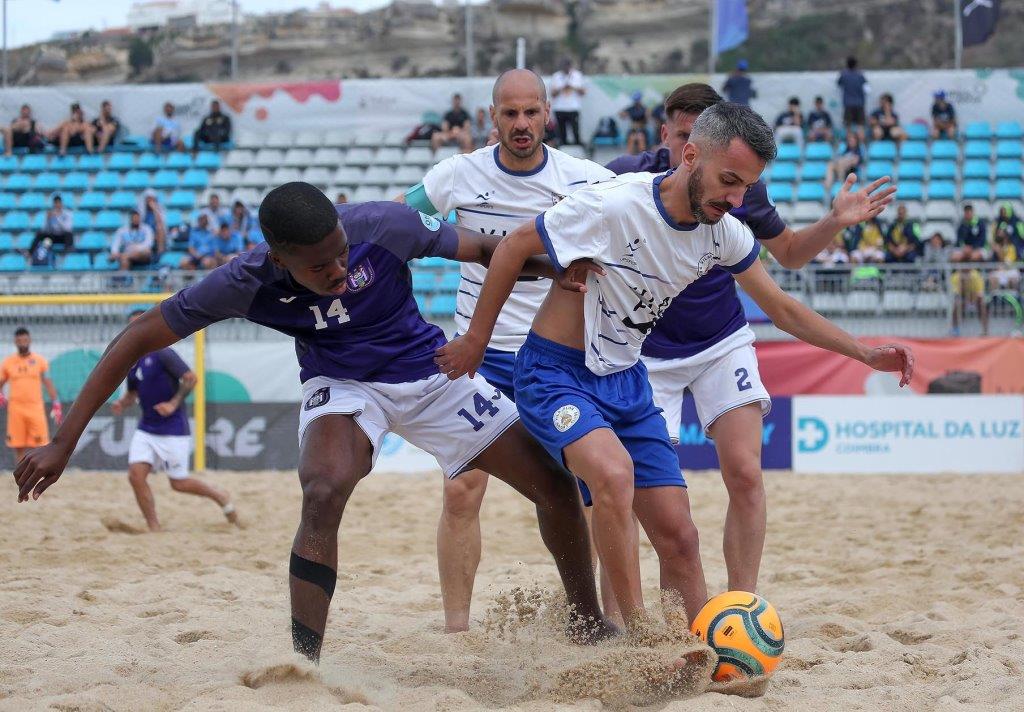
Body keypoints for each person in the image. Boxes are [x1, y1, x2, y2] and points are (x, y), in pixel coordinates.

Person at [13, 182, 611, 666]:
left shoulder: (384, 225)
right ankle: (305, 664)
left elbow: (486, 249)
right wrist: (65, 441)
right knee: (322, 490)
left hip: (430, 374)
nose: (338, 269)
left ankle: (587, 625)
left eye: (342, 253)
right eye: (320, 265)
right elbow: (139, 334)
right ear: (279, 259)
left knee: (554, 482)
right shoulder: (243, 281)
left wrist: (556, 267)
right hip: (342, 386)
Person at [436, 102, 914, 627]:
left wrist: (867, 354)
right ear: (689, 155)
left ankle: (710, 647)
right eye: (728, 182)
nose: (735, 200)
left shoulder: (724, 230)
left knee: (681, 537)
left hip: (626, 378)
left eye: (744, 189)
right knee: (613, 478)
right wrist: (477, 339)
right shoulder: (613, 203)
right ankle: (635, 638)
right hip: (554, 374)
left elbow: (782, 309)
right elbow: (511, 249)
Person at [602, 83, 895, 611]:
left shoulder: (736, 192)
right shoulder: (625, 179)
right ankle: (630, 619)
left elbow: (788, 266)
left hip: (719, 340)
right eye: (683, 136)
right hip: (642, 354)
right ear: (669, 134)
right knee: (634, 495)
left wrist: (832, 223)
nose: (691, 149)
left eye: (702, 135)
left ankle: (740, 611)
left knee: (745, 471)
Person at [398, 68, 615, 633]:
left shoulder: (585, 179)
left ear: (548, 114)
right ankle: (456, 630)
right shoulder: (457, 174)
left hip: (556, 357)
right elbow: (396, 224)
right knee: (462, 489)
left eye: (530, 112)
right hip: (481, 353)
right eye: (509, 113)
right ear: (491, 117)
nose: (521, 124)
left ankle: (588, 617)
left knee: (584, 491)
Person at [110, 310, 238, 532]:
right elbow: (132, 394)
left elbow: (191, 378)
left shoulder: (163, 354)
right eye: (131, 327)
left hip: (173, 430)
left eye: (139, 325)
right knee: (135, 476)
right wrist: (123, 402)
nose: (135, 331)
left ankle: (219, 495)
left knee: (178, 483)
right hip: (146, 429)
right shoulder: (133, 362)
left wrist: (173, 403)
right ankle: (154, 527)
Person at [1, 328, 61, 463]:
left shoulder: (40, 361)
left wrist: (56, 403)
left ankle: (38, 477)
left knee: (41, 446)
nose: (22, 343)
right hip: (16, 410)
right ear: (15, 342)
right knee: (18, 447)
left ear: (29, 340)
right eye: (19, 341)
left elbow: (48, 383)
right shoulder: (8, 363)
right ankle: (22, 479)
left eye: (25, 340)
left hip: (35, 409)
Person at [550, 58, 585, 145]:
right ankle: (563, 147)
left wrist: (572, 86)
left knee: (575, 131)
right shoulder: (556, 76)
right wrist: (562, 87)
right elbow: (553, 94)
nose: (566, 68)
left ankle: (577, 147)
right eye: (564, 66)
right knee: (561, 133)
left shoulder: (577, 75)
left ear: (570, 66)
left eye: (567, 66)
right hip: (560, 108)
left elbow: (583, 92)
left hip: (573, 108)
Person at [837, 56, 868, 140]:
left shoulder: (844, 75)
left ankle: (850, 146)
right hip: (859, 104)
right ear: (856, 65)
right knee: (860, 127)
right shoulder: (860, 75)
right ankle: (861, 147)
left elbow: (839, 83)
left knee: (848, 127)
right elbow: (866, 87)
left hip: (848, 104)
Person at [951, 265, 988, 337]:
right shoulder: (956, 276)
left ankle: (985, 330)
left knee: (982, 305)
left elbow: (980, 293)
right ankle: (955, 329)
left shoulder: (976, 275)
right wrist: (962, 282)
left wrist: (972, 299)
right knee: (956, 305)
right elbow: (957, 294)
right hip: (963, 296)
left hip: (975, 296)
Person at [138, 189, 167, 254]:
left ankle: (160, 253)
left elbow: (161, 224)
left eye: (153, 199)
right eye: (149, 199)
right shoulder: (140, 211)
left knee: (160, 229)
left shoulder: (159, 211)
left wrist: (155, 210)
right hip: (143, 234)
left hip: (155, 234)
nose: (151, 201)